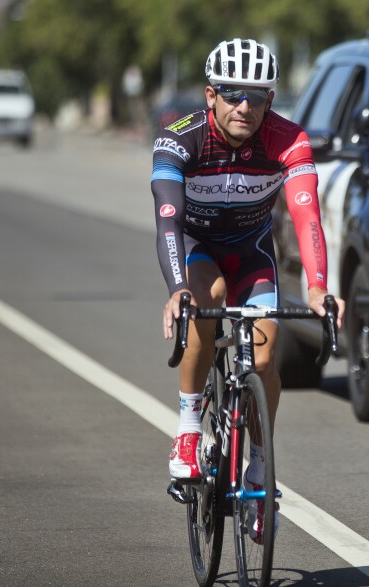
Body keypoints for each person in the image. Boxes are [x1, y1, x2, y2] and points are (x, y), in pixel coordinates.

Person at [151, 38, 345, 538]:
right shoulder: (180, 140)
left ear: (270, 102)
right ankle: (190, 427)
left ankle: (259, 471)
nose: (245, 106)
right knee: (207, 297)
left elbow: (306, 216)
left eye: (257, 97)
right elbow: (168, 220)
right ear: (210, 94)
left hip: (252, 252)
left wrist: (319, 289)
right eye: (234, 94)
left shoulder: (288, 139)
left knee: (263, 357)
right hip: (197, 248)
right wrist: (177, 289)